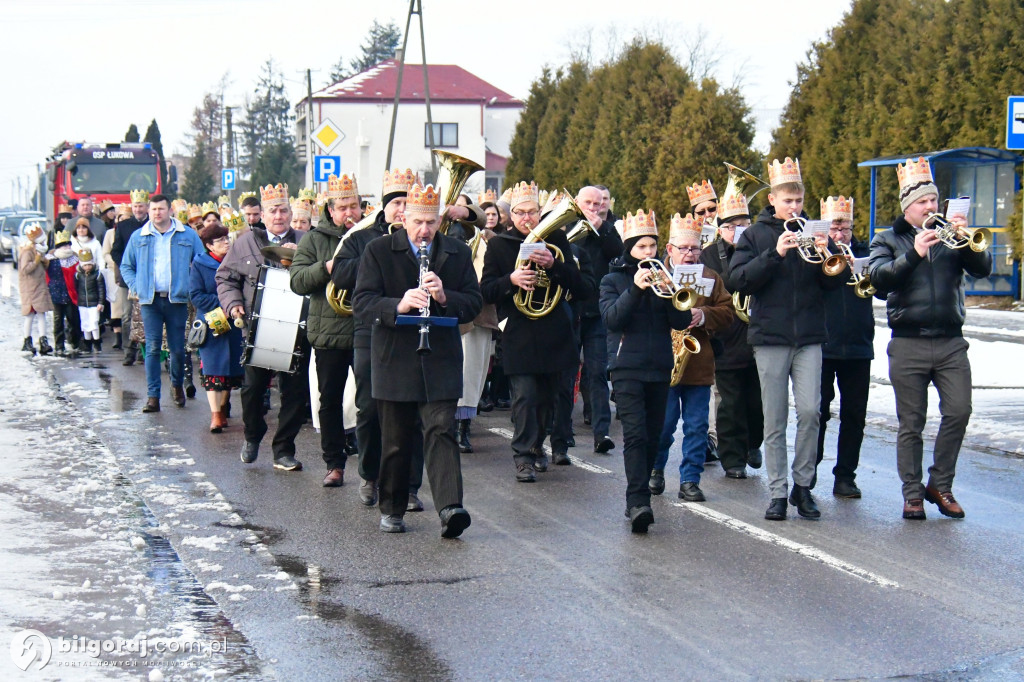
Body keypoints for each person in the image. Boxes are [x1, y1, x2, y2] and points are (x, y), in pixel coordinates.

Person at [352, 182, 482, 537]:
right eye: (418, 222)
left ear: (439, 221)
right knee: (396, 439)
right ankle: (393, 507)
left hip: (440, 357)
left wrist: (445, 296)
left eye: (431, 223)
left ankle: (450, 507)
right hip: (394, 358)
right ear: (404, 219)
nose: (424, 230)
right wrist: (398, 304)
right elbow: (361, 303)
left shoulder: (456, 252)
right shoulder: (379, 251)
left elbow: (473, 302)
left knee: (441, 430)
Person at [868, 158, 991, 520]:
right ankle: (912, 494)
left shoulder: (953, 238)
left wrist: (967, 241)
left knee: (959, 411)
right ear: (908, 207)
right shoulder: (887, 238)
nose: (932, 207)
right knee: (912, 423)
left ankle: (940, 484)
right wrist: (915, 254)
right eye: (924, 202)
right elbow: (879, 281)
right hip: (908, 341)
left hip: (951, 341)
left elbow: (982, 270)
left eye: (935, 201)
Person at [728, 157, 848, 521]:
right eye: (787, 200)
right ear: (773, 201)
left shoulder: (815, 231)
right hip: (770, 337)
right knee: (774, 418)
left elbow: (833, 283)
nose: (794, 206)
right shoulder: (755, 235)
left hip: (809, 335)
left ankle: (803, 486)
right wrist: (775, 253)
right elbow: (738, 280)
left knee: (813, 411)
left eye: (798, 200)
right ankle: (778, 491)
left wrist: (828, 254)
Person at [480, 181, 590, 481]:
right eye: (520, 212)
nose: (527, 218)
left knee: (548, 398)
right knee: (525, 397)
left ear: (541, 213)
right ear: (510, 215)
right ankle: (523, 455)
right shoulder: (500, 245)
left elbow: (580, 286)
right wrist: (511, 280)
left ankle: (539, 444)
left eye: (532, 212)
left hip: (555, 331)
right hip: (519, 331)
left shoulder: (556, 239)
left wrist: (554, 264)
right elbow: (486, 290)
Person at [332, 169, 427, 508]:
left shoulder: (422, 237)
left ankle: (410, 487)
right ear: (384, 206)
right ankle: (371, 476)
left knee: (413, 409)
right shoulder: (361, 237)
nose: (402, 209)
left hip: (413, 330)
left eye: (406, 202)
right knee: (369, 406)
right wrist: (377, 255)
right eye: (396, 203)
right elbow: (340, 274)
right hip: (370, 329)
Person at [599, 210, 693, 533]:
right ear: (629, 249)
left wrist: (669, 293)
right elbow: (612, 319)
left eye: (653, 247)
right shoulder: (612, 280)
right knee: (635, 435)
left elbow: (681, 322)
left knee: (654, 436)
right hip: (626, 367)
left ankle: (638, 497)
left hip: (659, 366)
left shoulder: (666, 279)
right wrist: (636, 289)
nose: (650, 254)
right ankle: (638, 501)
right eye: (642, 247)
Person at [217, 184, 308, 471]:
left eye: (283, 210)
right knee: (253, 388)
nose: (278, 216)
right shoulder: (245, 242)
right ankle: (252, 436)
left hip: (296, 329)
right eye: (273, 211)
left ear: (291, 213)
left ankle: (283, 450)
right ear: (263, 215)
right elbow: (226, 277)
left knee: (294, 392)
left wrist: (302, 260)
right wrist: (233, 305)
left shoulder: (308, 240)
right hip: (257, 328)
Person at [651, 213, 733, 501]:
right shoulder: (657, 275)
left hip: (698, 363)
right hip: (665, 361)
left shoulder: (710, 277)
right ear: (670, 249)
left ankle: (690, 480)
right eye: (683, 248)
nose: (690, 254)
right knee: (663, 426)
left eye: (695, 248)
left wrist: (704, 314)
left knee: (697, 427)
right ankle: (656, 470)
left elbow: (728, 312)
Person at [290, 174, 361, 487]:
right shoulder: (314, 239)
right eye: (343, 206)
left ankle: (372, 466)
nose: (350, 212)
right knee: (329, 400)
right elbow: (297, 281)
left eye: (354, 206)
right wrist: (328, 268)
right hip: (330, 335)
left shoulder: (370, 234)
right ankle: (334, 464)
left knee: (372, 400)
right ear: (331, 210)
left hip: (365, 330)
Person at [699, 185, 764, 479]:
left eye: (742, 225)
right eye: (729, 226)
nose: (736, 231)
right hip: (727, 337)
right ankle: (732, 458)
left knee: (757, 401)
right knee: (730, 403)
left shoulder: (760, 247)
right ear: (718, 228)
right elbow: (707, 288)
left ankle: (753, 443)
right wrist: (737, 278)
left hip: (760, 334)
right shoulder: (708, 255)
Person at [120, 194, 206, 413]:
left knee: (177, 349)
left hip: (176, 298)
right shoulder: (139, 236)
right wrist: (136, 286)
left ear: (170, 211)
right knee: (152, 348)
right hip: (150, 300)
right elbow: (126, 266)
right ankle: (153, 396)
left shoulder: (186, 235)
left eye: (161, 209)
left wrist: (191, 286)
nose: (157, 213)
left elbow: (202, 261)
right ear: (149, 212)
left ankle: (177, 385)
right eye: (153, 209)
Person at [816, 196, 873, 499]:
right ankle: (809, 468)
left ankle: (845, 476)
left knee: (854, 414)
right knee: (818, 411)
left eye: (845, 229)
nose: (840, 235)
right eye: (834, 228)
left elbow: (883, 289)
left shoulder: (866, 253)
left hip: (859, 346)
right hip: (823, 346)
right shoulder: (816, 254)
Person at [573, 186, 623, 453]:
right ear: (577, 203)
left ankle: (601, 433)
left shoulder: (609, 228)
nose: (593, 207)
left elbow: (618, 253)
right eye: (588, 203)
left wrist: (601, 227)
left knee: (598, 373)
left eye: (598, 203)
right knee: (567, 371)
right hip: (571, 309)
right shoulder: (567, 225)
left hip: (597, 311)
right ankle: (561, 432)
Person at [190, 223, 244, 434]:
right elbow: (196, 295)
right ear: (209, 245)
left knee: (230, 365)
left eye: (226, 238)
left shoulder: (235, 261)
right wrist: (223, 302)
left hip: (235, 318)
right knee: (214, 366)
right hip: (213, 317)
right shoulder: (200, 264)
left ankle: (222, 409)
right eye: (220, 240)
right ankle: (215, 415)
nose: (226, 242)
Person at [686, 180, 722, 463]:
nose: (708, 214)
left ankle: (726, 436)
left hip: (724, 321)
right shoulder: (689, 242)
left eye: (712, 208)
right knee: (708, 386)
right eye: (701, 211)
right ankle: (709, 440)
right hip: (697, 328)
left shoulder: (731, 235)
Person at [111, 189, 150, 365]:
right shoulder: (124, 226)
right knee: (127, 315)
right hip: (129, 279)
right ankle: (129, 351)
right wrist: (127, 266)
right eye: (135, 206)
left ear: (147, 207)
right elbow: (115, 251)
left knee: (147, 315)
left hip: (150, 279)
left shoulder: (153, 225)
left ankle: (144, 350)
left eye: (141, 206)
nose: (138, 209)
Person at [18, 224, 54, 356]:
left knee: (41, 314)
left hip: (39, 287)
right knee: (30, 315)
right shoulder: (27, 251)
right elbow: (25, 269)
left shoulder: (38, 250)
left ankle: (43, 340)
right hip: (30, 289)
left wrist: (43, 260)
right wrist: (36, 261)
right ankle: (27, 341)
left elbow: (42, 267)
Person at [46, 230, 82, 358]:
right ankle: (59, 345)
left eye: (68, 244)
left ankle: (75, 342)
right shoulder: (50, 259)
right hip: (55, 292)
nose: (67, 247)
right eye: (63, 245)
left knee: (73, 318)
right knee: (58, 320)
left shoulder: (75, 258)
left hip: (70, 292)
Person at [75, 250, 106, 352]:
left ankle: (97, 341)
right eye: (85, 265)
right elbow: (76, 288)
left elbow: (101, 290)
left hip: (94, 303)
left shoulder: (97, 275)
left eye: (89, 264)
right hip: (82, 303)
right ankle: (87, 342)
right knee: (85, 323)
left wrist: (101, 302)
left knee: (94, 322)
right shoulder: (78, 275)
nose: (87, 267)